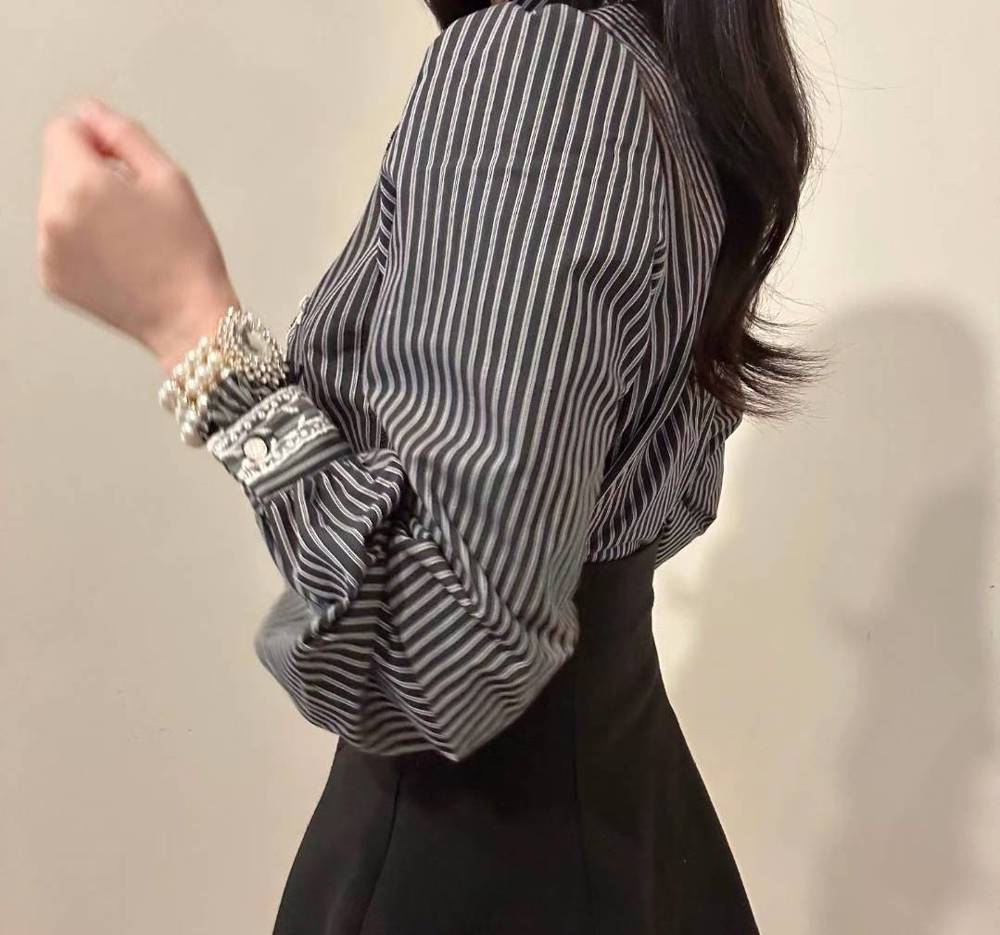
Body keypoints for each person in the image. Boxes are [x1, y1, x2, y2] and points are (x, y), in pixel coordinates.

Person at [36, 0, 821, 931]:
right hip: (612, 823)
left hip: (475, 861)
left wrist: (191, 329)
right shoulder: (650, 73)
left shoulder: (540, 67)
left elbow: (441, 641)